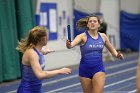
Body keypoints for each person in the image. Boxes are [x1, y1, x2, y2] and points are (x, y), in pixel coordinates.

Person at [66, 15, 124, 93]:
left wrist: (117, 55)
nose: (92, 23)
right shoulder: (82, 36)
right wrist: (68, 44)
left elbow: (111, 49)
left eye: (95, 21)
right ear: (87, 25)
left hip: (98, 69)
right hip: (84, 70)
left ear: (98, 24)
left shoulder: (103, 36)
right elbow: (71, 45)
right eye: (90, 21)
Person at [16, 26, 71, 93]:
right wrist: (59, 71)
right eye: (47, 36)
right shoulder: (32, 54)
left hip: (36, 89)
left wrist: (45, 51)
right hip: (27, 90)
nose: (48, 38)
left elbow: (41, 51)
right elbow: (40, 75)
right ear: (42, 39)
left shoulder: (38, 50)